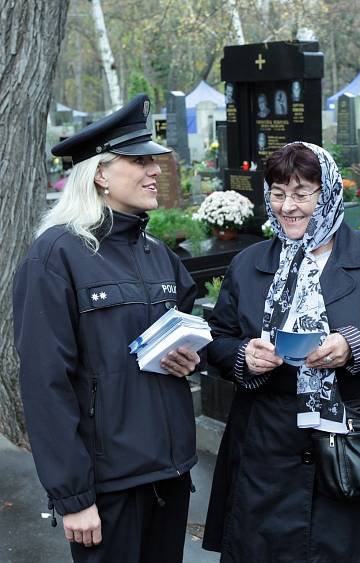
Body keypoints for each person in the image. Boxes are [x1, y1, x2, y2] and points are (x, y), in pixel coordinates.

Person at [201, 141, 360, 562]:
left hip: (354, 447)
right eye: (277, 193)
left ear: (326, 194)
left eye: (301, 193)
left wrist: (354, 343)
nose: (287, 206)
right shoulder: (250, 263)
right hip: (266, 454)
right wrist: (242, 357)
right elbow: (217, 337)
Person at [13, 94, 200, 562]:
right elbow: (44, 384)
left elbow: (189, 329)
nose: (155, 169)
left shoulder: (156, 252)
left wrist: (190, 357)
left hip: (169, 475)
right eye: (139, 161)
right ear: (100, 173)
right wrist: (74, 497)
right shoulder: (57, 255)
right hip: (109, 486)